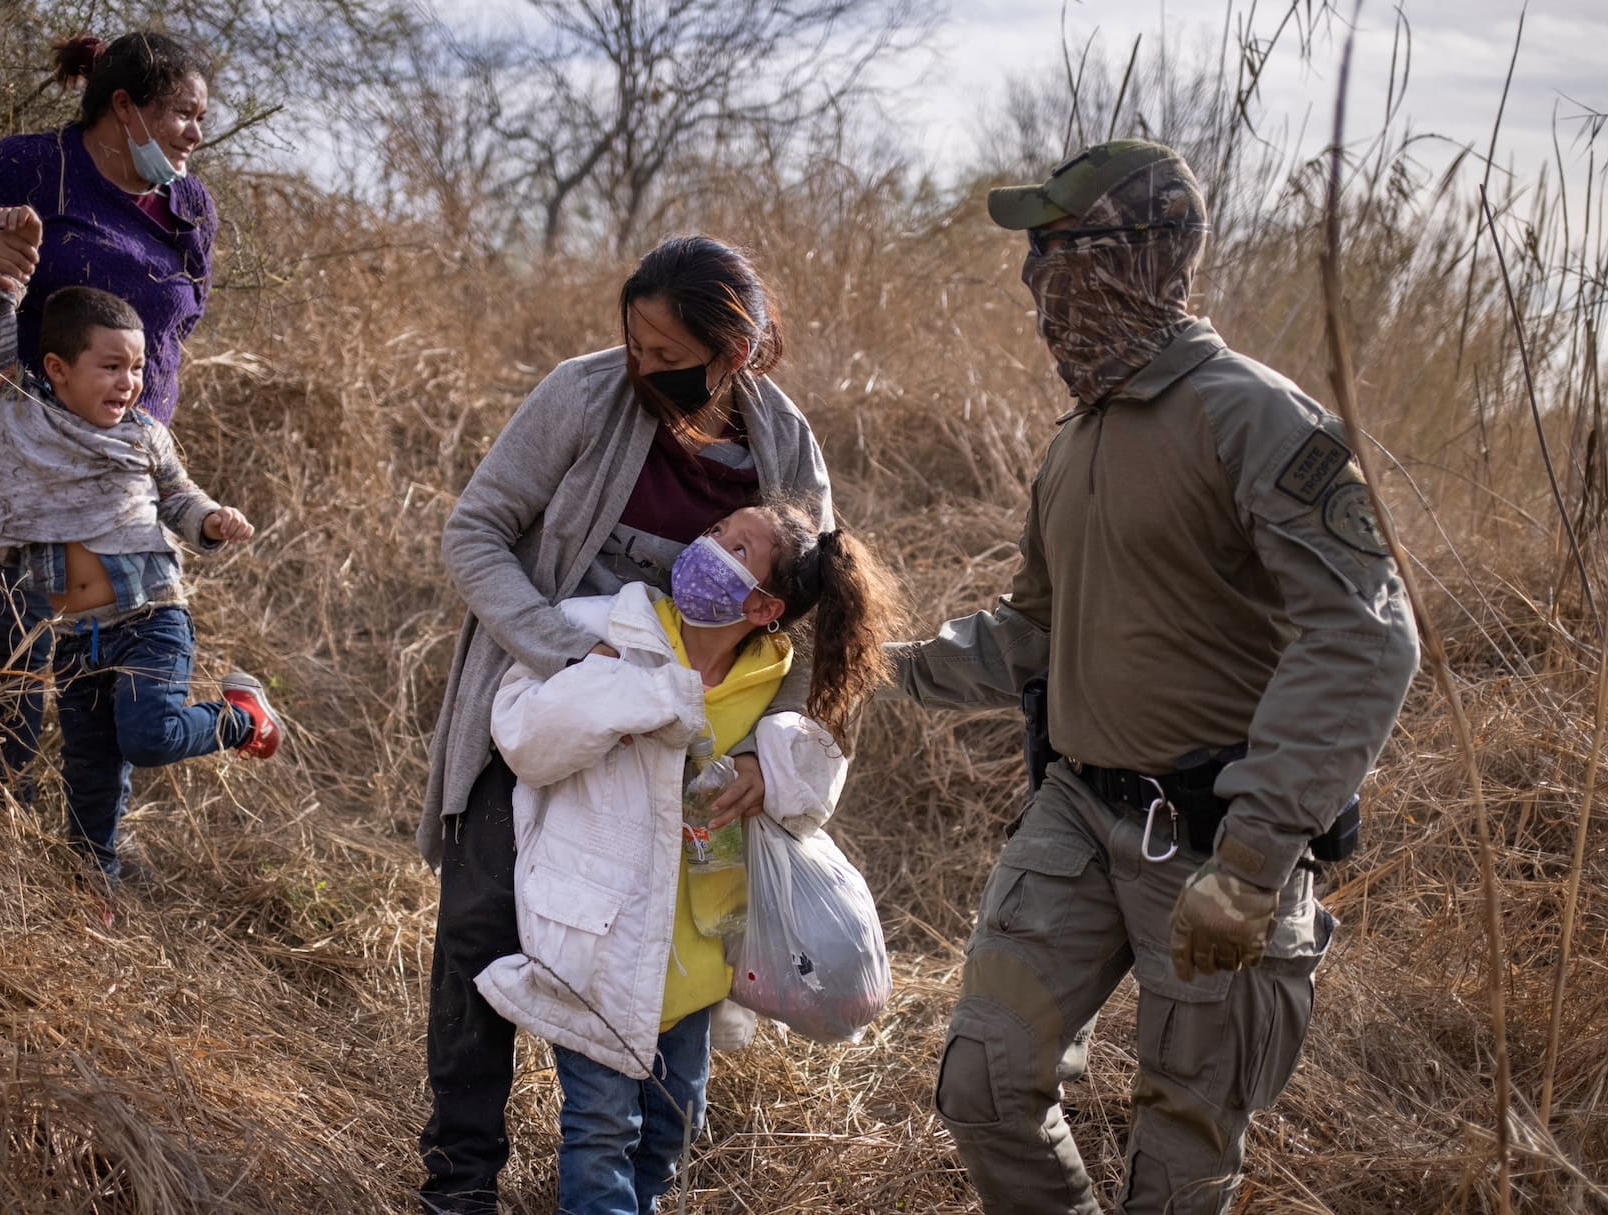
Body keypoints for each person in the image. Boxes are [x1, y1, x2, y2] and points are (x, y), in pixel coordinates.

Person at [881, 140, 1420, 1213]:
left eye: (1060, 250)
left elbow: (1366, 637)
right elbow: (1032, 633)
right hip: (1078, 811)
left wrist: (1259, 859)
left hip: (1218, 840)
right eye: (1034, 256)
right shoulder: (1074, 444)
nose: (1039, 281)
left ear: (1138, 254)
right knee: (984, 1084)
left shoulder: (1257, 420)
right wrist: (882, 670)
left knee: (1180, 1154)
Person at [419, 236, 834, 1214]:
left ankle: (627, 1179)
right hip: (541, 713)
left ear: (733, 352)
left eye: (666, 351)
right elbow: (473, 533)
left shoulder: (785, 450)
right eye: (635, 342)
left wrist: (776, 754)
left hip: (680, 762)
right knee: (480, 928)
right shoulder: (582, 395)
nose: (644, 366)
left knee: (668, 962)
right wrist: (569, 667)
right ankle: (459, 1184)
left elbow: (814, 602)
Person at [476, 502, 900, 1215]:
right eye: (714, 532)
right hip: (596, 944)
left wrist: (768, 774)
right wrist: (629, 691)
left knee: (675, 1125)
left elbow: (816, 784)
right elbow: (522, 734)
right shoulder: (602, 629)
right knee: (601, 1129)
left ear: (764, 605)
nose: (707, 546)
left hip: (699, 959)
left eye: (737, 546)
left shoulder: (777, 684)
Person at [0, 31, 218, 800]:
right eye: (183, 112)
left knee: (112, 651)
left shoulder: (189, 205)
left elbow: (185, 317)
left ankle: (91, 845)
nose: (197, 134)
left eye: (203, 117)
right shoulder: (32, 166)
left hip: (123, 475)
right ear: (123, 107)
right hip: (25, 454)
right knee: (13, 639)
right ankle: (3, 819)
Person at [0, 207, 277, 890]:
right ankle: (93, 885)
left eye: (136, 367)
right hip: (77, 634)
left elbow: (178, 497)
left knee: (149, 735)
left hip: (152, 614)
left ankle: (240, 718)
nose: (129, 383)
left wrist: (211, 519)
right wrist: (10, 267)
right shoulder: (21, 415)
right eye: (110, 366)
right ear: (57, 368)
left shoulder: (143, 435)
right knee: (91, 772)